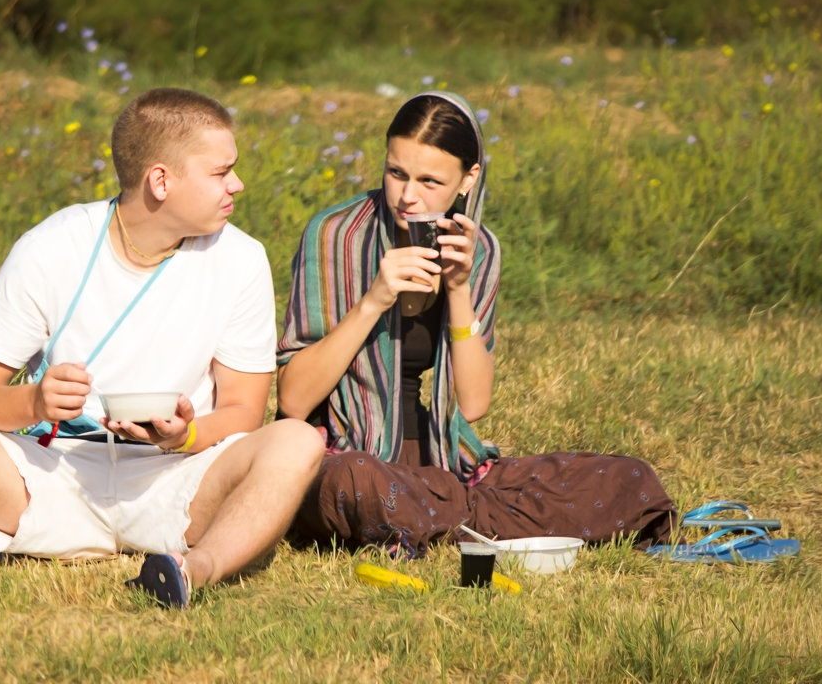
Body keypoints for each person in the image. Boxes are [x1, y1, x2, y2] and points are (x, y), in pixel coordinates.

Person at [0, 87, 324, 608]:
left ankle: (193, 570)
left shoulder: (241, 258)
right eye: (220, 172)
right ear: (161, 180)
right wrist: (33, 402)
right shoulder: (53, 245)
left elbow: (244, 409)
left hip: (175, 481)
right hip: (54, 472)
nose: (237, 184)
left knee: (297, 440)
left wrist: (185, 435)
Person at [276, 91, 677, 559]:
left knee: (627, 478)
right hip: (346, 454)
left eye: (429, 180)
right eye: (396, 173)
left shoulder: (478, 249)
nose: (408, 196)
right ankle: (462, 515)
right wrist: (373, 300)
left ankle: (434, 513)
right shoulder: (336, 235)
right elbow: (293, 399)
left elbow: (473, 402)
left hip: (441, 461)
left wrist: (460, 289)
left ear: (468, 179)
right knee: (352, 484)